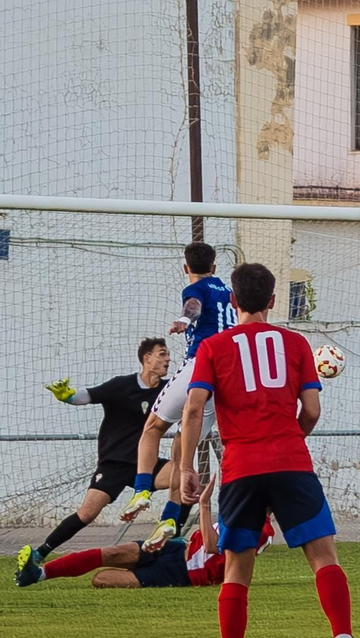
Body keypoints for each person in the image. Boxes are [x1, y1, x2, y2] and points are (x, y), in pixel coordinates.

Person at [178, 262, 360, 638]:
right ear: (272, 301)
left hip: (241, 467)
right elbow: (313, 411)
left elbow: (194, 409)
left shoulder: (213, 347)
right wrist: (288, 437)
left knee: (235, 569)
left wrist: (185, 467)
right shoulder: (296, 343)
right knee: (324, 557)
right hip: (290, 461)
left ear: (232, 302)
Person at [15, 339, 174, 586]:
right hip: (114, 464)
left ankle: (169, 529)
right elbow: (87, 396)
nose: (167, 359)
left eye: (168, 355)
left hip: (146, 463)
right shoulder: (121, 385)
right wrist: (67, 396)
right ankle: (41, 553)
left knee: (183, 477)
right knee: (88, 513)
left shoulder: (169, 390)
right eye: (162, 354)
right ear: (146, 359)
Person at [120, 242, 235, 548]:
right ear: (214, 266)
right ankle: (170, 520)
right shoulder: (228, 291)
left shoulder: (196, 288)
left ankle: (142, 489)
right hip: (224, 377)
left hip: (200, 365)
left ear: (186, 268)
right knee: (182, 452)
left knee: (153, 428)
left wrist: (185, 320)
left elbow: (193, 305)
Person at [20, 474, 275, 589]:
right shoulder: (242, 510)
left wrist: (205, 505)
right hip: (177, 548)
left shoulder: (263, 531)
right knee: (115, 551)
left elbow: (211, 546)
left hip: (183, 574)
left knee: (101, 579)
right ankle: (38, 574)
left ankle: (138, 575)